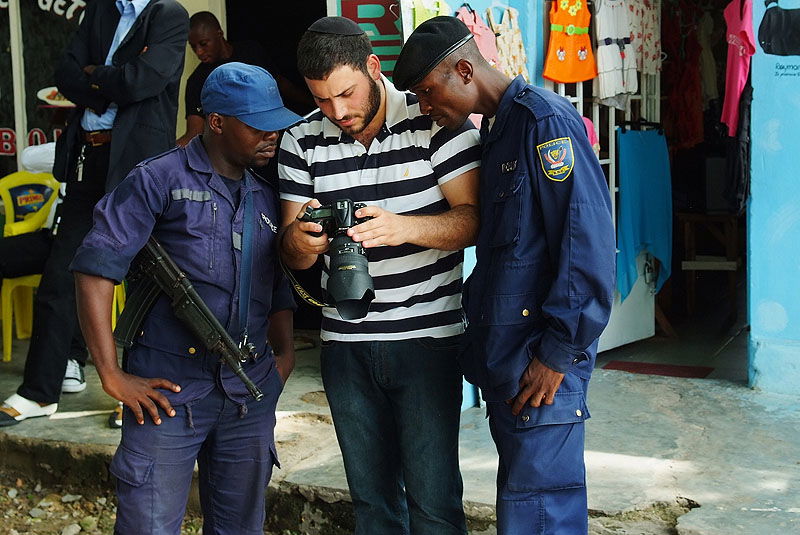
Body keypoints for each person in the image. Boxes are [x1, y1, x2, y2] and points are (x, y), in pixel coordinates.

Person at [393, 16, 616, 535]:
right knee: (524, 508)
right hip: (510, 361)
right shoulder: (496, 133)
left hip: (543, 366)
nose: (426, 108)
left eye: (428, 92)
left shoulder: (545, 123)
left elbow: (586, 245)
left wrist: (558, 353)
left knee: (542, 512)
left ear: (465, 70)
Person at [71, 62, 300, 535]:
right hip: (168, 391)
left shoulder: (267, 194)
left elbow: (275, 286)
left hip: (247, 392)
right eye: (258, 125)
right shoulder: (157, 179)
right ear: (216, 122)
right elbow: (95, 270)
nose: (272, 136)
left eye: (276, 125)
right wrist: (111, 375)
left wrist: (284, 358)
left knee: (240, 527)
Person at [278, 16, 481, 534]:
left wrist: (401, 228)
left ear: (373, 66)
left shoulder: (435, 116)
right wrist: (301, 242)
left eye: (345, 93)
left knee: (434, 504)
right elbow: (291, 252)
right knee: (371, 506)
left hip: (427, 338)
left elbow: (474, 220)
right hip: (344, 344)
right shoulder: (300, 139)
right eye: (323, 100)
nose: (337, 112)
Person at [0, 0, 189, 427]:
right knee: (60, 276)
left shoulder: (168, 15)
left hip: (136, 164)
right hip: (89, 160)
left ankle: (137, 391)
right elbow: (66, 73)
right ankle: (39, 392)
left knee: (148, 279)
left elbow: (143, 81)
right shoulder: (102, 10)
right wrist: (111, 80)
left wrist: (97, 75)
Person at [177, 11, 313, 147]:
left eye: (203, 43)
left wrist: (313, 102)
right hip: (238, 149)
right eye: (193, 46)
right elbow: (194, 132)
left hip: (275, 136)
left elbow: (280, 84)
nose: (199, 52)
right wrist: (161, 159)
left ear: (219, 34)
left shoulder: (251, 52)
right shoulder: (197, 80)